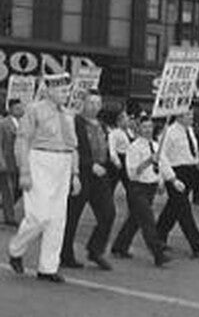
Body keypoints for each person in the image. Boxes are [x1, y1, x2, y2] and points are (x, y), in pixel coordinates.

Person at [8, 73, 81, 283]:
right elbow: (22, 140)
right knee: (39, 216)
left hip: (63, 163)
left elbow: (73, 147)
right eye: (60, 90)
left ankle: (48, 267)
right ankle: (15, 249)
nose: (65, 94)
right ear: (49, 90)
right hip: (39, 160)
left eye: (67, 90)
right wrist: (24, 171)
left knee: (57, 219)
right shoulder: (34, 110)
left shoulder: (69, 114)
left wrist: (75, 174)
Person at [61, 91, 116, 271]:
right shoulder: (75, 122)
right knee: (72, 217)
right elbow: (71, 147)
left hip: (100, 176)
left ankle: (95, 250)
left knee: (108, 213)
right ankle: (65, 254)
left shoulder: (101, 125)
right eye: (90, 102)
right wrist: (88, 165)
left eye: (97, 103)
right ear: (83, 103)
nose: (94, 106)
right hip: (81, 174)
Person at [110, 116, 171, 267]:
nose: (148, 130)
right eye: (144, 127)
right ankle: (158, 253)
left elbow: (162, 165)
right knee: (148, 221)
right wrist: (148, 161)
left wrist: (163, 181)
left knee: (135, 219)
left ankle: (119, 246)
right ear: (138, 129)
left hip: (151, 187)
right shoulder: (134, 147)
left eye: (150, 127)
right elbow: (132, 173)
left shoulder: (157, 145)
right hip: (137, 188)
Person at [156, 110, 199, 258]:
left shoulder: (190, 130)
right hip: (175, 173)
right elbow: (161, 156)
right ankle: (197, 243)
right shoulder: (169, 132)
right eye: (188, 115)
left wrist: (197, 160)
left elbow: (192, 149)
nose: (191, 118)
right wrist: (163, 179)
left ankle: (158, 236)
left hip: (189, 171)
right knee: (183, 208)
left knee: (173, 208)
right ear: (179, 116)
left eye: (192, 115)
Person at [0, 99, 25, 226]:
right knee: (8, 190)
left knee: (17, 190)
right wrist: (1, 161)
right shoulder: (3, 124)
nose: (20, 111)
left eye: (21, 108)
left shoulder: (24, 123)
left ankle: (5, 206)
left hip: (19, 162)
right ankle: (9, 217)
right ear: (10, 109)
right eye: (17, 108)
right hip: (7, 161)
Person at [107, 110, 134, 196]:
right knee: (111, 185)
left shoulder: (130, 132)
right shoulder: (114, 133)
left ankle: (133, 203)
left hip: (128, 159)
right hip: (119, 160)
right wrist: (117, 162)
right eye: (126, 119)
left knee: (129, 185)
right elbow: (112, 149)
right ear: (119, 121)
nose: (128, 120)